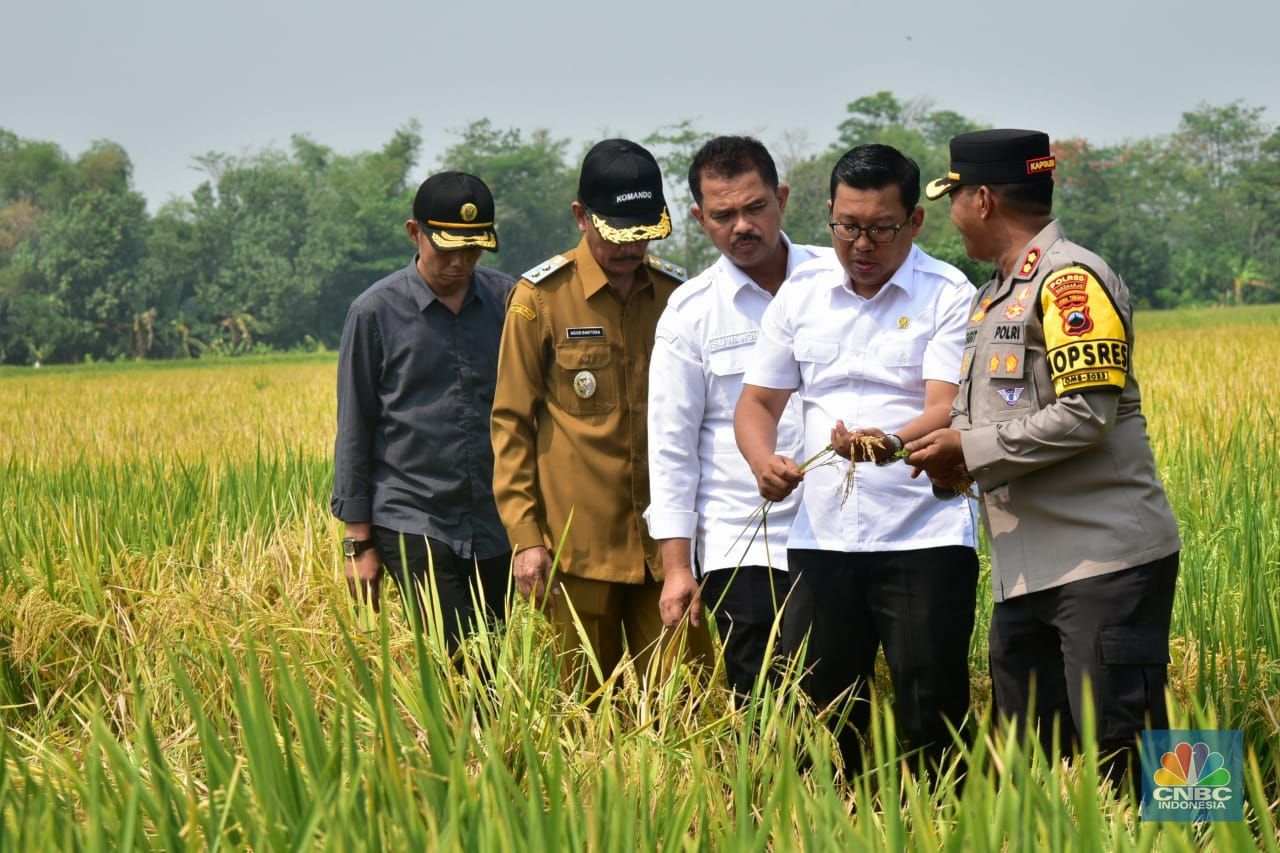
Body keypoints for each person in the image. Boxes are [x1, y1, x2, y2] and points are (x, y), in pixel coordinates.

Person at [908, 129, 1182, 779]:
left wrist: (968, 449)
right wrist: (938, 456)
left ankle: (1214, 827)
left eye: (955, 200)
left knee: (1136, 748)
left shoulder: (1071, 281)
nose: (954, 217)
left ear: (981, 200)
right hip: (1025, 571)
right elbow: (984, 421)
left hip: (1105, 561)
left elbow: (1087, 414)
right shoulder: (993, 297)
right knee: (1029, 762)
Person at [734, 144, 979, 772]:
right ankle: (830, 818)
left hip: (923, 536)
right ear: (829, 215)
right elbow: (757, 403)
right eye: (846, 227)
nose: (861, 245)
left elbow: (945, 406)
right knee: (820, 716)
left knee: (931, 710)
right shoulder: (801, 294)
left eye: (880, 229)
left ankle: (944, 817)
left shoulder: (946, 292)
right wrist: (763, 462)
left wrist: (889, 442)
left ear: (914, 222)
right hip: (823, 540)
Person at [490, 139, 706, 683]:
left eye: (643, 233)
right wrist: (526, 538)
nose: (630, 247)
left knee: (684, 702)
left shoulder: (678, 297)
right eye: (616, 233)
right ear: (581, 216)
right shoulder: (539, 299)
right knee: (578, 707)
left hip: (669, 550)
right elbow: (512, 423)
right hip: (576, 553)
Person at [646, 136, 829, 697]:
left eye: (755, 208)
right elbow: (671, 449)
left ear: (782, 199)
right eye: (723, 215)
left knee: (838, 694)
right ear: (700, 218)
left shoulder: (836, 282)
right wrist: (677, 567)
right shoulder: (690, 313)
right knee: (761, 699)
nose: (742, 226)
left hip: (840, 534)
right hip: (743, 540)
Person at [332, 171, 513, 653]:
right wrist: (357, 542)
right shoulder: (374, 313)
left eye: (472, 250)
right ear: (415, 233)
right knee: (460, 656)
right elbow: (355, 426)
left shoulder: (509, 303)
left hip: (495, 517)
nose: (459, 263)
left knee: (495, 654)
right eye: (446, 249)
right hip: (412, 513)